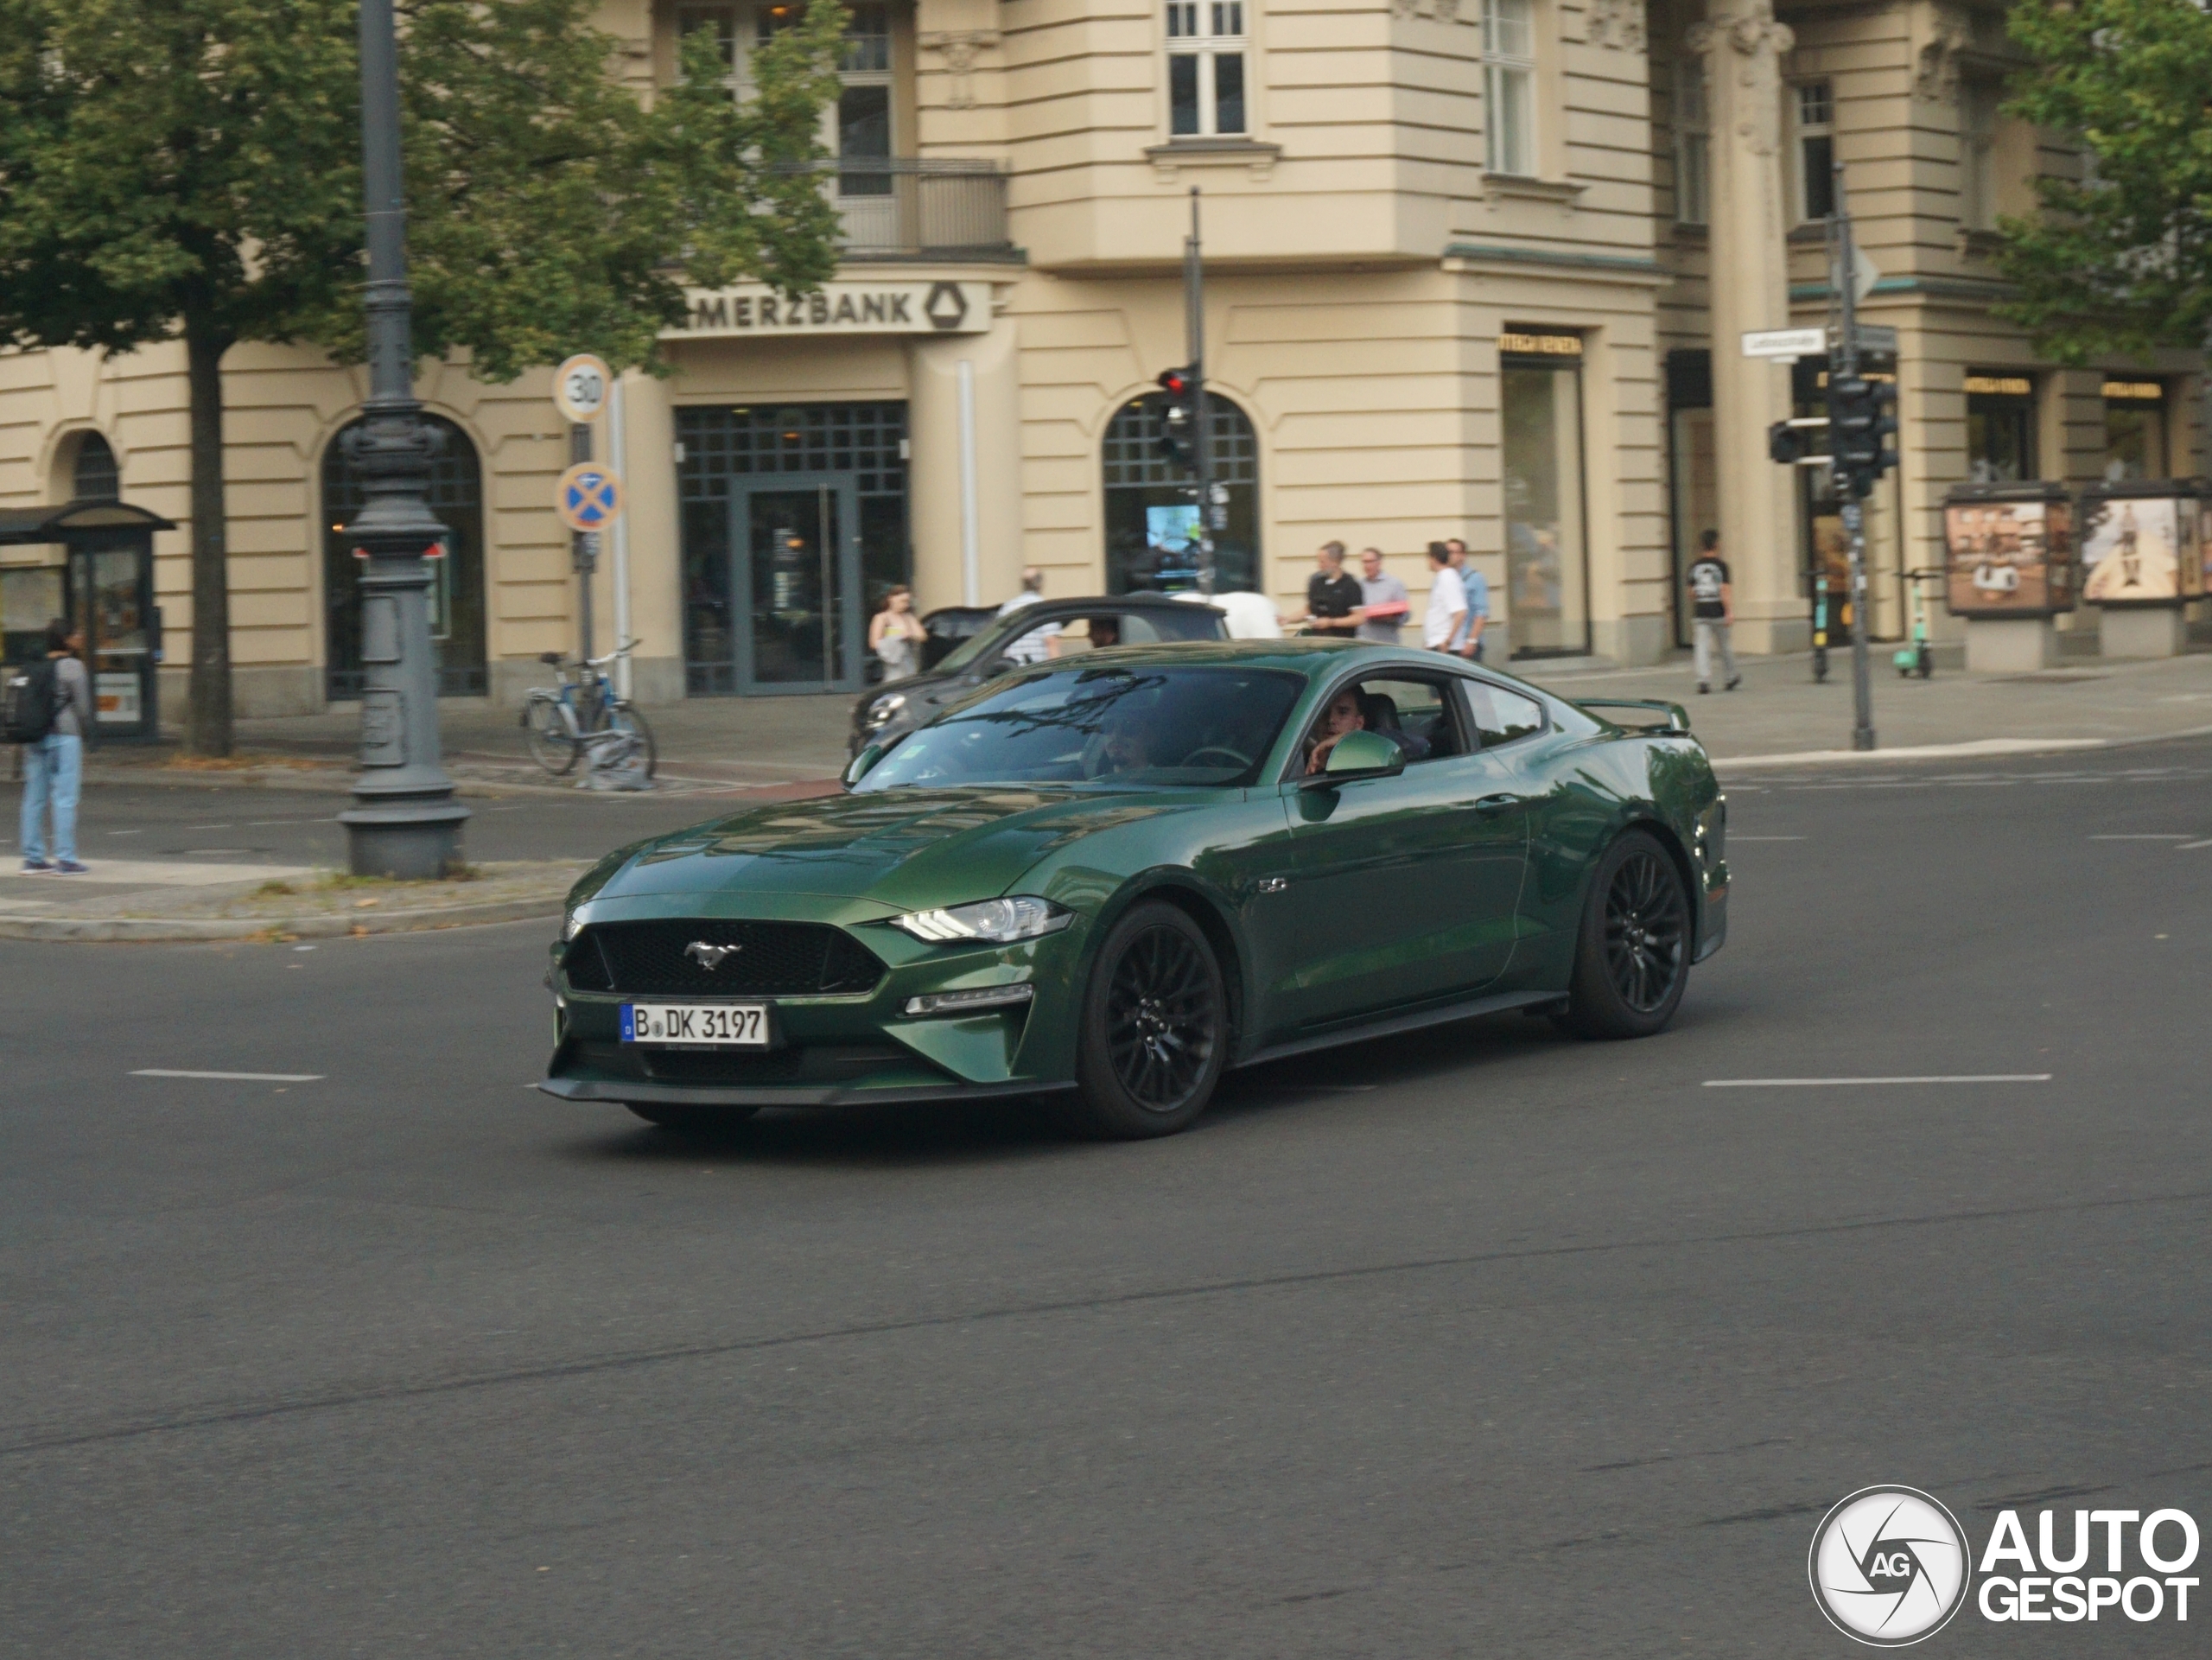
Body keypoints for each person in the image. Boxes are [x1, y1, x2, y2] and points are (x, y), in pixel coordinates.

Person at [19, 619, 91, 875]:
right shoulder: (73, 667)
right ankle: (66, 859)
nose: (81, 636)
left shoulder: (34, 666)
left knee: (34, 798)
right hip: (64, 736)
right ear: (66, 640)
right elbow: (83, 708)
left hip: (36, 736)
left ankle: (33, 858)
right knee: (65, 797)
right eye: (76, 633)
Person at [1302, 685, 1427, 775]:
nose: (1331, 719)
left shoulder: (1371, 753)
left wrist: (1347, 738)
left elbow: (1422, 746)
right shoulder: (1295, 754)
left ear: (1359, 723)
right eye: (1324, 711)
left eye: (1343, 712)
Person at [1686, 529, 1740, 694]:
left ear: (1702, 545)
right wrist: (1729, 611)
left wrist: (1700, 597)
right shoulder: (1721, 566)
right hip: (1717, 611)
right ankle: (1731, 677)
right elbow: (1724, 590)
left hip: (1701, 612)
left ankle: (1703, 680)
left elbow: (1691, 593)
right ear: (1716, 544)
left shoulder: (1693, 567)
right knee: (1724, 646)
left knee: (1701, 647)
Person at [1287, 542, 1364, 634]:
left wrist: (1331, 622)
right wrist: (1286, 620)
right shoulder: (1316, 583)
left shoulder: (1351, 585)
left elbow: (1359, 618)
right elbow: (1308, 611)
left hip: (1342, 643)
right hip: (1318, 642)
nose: (1319, 566)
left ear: (1335, 562)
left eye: (1322, 562)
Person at [996, 567, 1059, 665]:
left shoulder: (1008, 607)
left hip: (1012, 671)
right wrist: (1056, 671)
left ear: (1023, 585)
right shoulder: (1045, 608)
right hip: (1037, 671)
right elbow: (1051, 642)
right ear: (1040, 584)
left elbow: (1000, 642)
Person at [868, 586, 925, 682]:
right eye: (902, 601)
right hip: (892, 664)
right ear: (891, 599)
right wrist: (898, 636)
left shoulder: (909, 617)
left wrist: (910, 635)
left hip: (908, 662)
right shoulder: (882, 618)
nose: (905, 605)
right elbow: (874, 643)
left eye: (907, 602)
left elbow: (922, 636)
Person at [1353, 548, 1410, 644]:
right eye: (1364, 562)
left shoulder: (1394, 584)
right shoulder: (1357, 585)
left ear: (1379, 562)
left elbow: (1406, 616)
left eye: (1370, 561)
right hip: (1363, 642)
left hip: (1387, 642)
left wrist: (1390, 618)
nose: (1367, 565)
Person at [1446, 538, 1490, 661]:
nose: (1449, 556)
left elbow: (1481, 613)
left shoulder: (1475, 578)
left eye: (1453, 552)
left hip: (1466, 644)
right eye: (1446, 552)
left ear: (1463, 555)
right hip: (1449, 643)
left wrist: (1472, 640)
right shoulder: (1443, 578)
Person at [1423, 542, 1468, 655]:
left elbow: (1460, 612)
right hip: (1437, 643)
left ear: (1434, 558)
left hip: (1445, 647)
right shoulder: (1443, 577)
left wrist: (1447, 642)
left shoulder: (1448, 578)